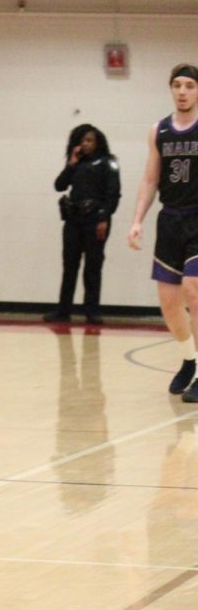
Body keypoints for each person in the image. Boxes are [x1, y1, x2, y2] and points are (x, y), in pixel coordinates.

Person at [128, 63, 198, 401]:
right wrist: (137, 219)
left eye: (189, 85)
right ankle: (189, 360)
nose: (182, 91)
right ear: (171, 89)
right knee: (169, 303)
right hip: (169, 220)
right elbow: (150, 179)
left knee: (193, 289)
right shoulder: (159, 131)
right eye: (177, 85)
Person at [44, 123, 120, 325]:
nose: (84, 144)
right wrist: (71, 164)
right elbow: (59, 185)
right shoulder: (76, 163)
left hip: (96, 221)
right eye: (81, 141)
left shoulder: (108, 163)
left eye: (89, 140)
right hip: (73, 221)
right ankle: (63, 310)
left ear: (97, 142)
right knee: (69, 266)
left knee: (93, 267)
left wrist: (104, 218)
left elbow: (113, 194)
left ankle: (92, 311)